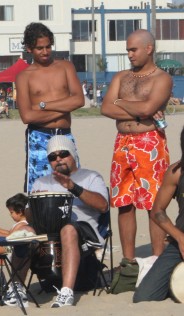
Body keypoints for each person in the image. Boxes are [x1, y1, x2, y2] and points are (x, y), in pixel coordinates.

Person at [7, 135, 108, 308]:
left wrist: (73, 187)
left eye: (63, 154)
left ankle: (66, 291)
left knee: (67, 229)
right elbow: (30, 216)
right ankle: (16, 288)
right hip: (46, 227)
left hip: (81, 230)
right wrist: (37, 204)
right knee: (25, 231)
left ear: (73, 154)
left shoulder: (90, 177)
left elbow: (103, 206)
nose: (58, 159)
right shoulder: (41, 181)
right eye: (52, 157)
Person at [101, 29, 172, 261]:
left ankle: (156, 259)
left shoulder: (162, 78)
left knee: (154, 202)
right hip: (122, 143)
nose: (130, 54)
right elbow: (105, 108)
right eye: (128, 50)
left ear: (148, 48)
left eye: (133, 49)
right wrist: (134, 108)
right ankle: (128, 262)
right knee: (124, 202)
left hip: (150, 142)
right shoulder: (121, 77)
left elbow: (147, 109)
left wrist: (120, 103)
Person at [15, 22, 84, 193]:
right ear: (30, 48)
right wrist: (63, 108)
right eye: (40, 48)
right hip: (39, 136)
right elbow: (27, 117)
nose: (45, 52)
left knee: (72, 184)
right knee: (39, 188)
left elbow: (79, 100)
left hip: (65, 134)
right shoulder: (24, 76)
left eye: (48, 47)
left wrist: (44, 106)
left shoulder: (66, 67)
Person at [133, 126, 184, 303]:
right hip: (181, 239)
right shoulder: (176, 172)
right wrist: (178, 237)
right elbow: (157, 211)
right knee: (144, 296)